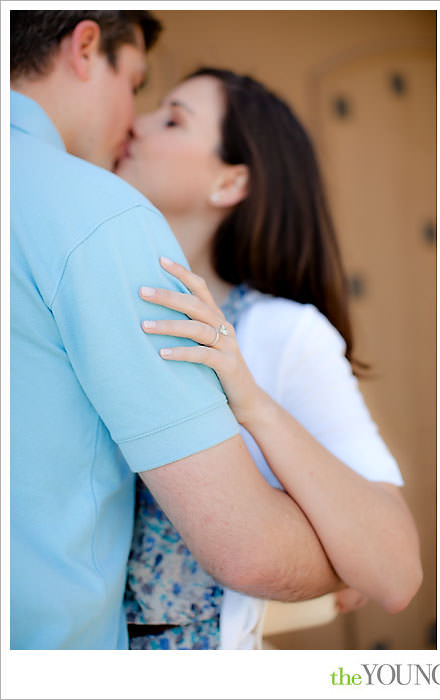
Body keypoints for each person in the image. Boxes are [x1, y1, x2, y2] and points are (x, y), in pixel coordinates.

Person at [11, 11, 333, 649]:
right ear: (85, 46)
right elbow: (249, 549)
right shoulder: (103, 217)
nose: (134, 121)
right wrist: (357, 557)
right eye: (135, 83)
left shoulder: (292, 333)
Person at [114, 67, 422, 649]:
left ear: (230, 183)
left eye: (173, 118)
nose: (136, 122)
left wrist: (251, 401)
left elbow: (396, 573)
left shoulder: (282, 332)